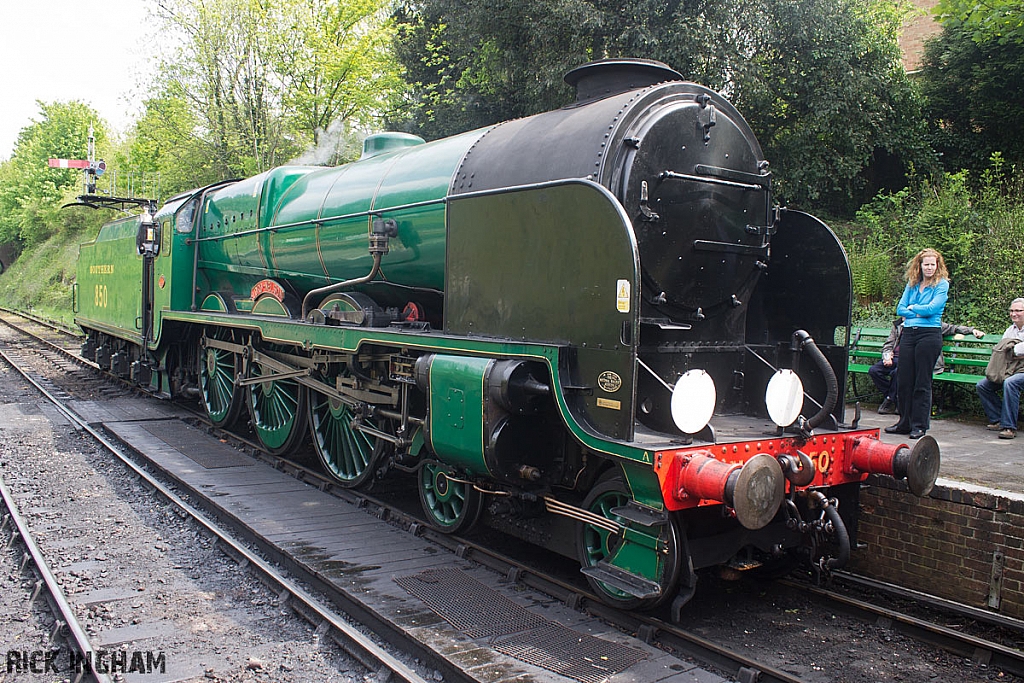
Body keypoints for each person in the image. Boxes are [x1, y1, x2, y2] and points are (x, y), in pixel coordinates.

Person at [885, 248, 949, 439]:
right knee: (904, 380)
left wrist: (914, 309)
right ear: (919, 266)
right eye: (926, 264)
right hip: (909, 335)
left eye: (932, 264)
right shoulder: (912, 284)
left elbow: (932, 309)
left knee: (922, 382)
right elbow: (900, 309)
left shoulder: (942, 284)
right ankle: (904, 422)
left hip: (929, 335)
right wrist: (917, 311)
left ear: (937, 266)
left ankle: (919, 425)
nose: (929, 268)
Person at [870, 318, 986, 415]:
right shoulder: (899, 325)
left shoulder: (931, 323)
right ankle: (894, 398)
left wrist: (972, 330)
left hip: (914, 361)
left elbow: (953, 328)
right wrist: (887, 356)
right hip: (894, 358)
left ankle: (892, 400)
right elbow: (888, 344)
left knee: (899, 372)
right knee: (874, 370)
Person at [976, 298, 1024, 439]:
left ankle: (1009, 427)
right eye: (1011, 311)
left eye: (1018, 311)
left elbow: (1013, 350)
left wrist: (1014, 350)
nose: (1014, 314)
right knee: (982, 385)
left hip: (1020, 372)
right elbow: (1004, 351)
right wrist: (1016, 351)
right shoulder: (1010, 330)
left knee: (1010, 383)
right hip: (1010, 369)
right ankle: (998, 419)